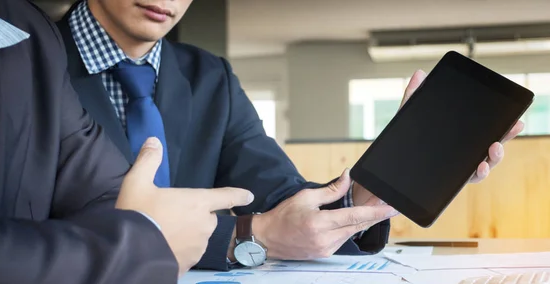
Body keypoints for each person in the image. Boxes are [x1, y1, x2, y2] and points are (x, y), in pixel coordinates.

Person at [58, 0, 523, 270]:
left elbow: (281, 191)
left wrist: (376, 185)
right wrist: (249, 235)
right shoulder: (22, 56)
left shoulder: (209, 76)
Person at [0, 0, 253, 284]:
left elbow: (108, 195)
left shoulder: (26, 26)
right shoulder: (54, 37)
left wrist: (145, 235)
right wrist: (138, 248)